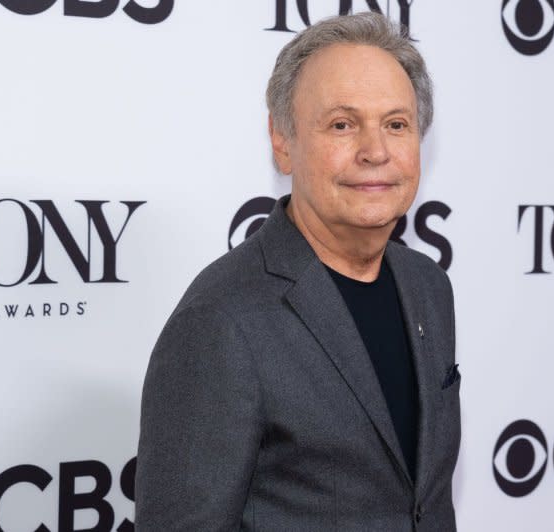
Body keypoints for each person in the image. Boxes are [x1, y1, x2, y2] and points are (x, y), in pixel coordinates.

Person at [136, 12, 459, 531]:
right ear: (282, 141)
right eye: (342, 124)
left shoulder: (428, 285)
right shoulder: (222, 320)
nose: (376, 152)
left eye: (396, 124)